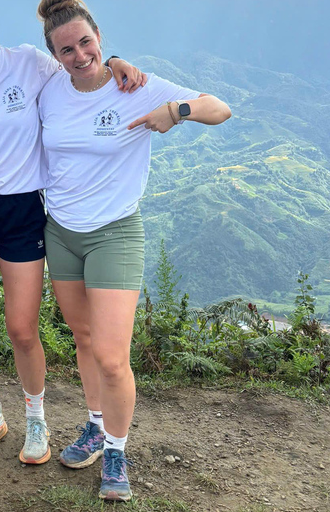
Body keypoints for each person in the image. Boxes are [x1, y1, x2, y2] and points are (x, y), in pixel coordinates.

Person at [0, 0, 145, 465]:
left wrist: (115, 62)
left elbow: (81, 67)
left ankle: (36, 418)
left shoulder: (28, 62)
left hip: (23, 207)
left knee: (23, 328)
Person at [36, 0, 231, 501]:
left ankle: (118, 451)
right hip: (60, 232)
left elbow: (220, 107)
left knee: (112, 355)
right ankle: (96, 425)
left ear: (99, 36)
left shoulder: (136, 86)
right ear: (53, 55)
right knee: (82, 337)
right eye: (66, 49)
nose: (79, 55)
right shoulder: (49, 88)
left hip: (114, 234)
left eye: (86, 43)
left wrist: (175, 111)